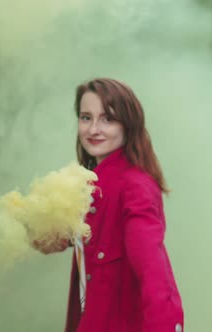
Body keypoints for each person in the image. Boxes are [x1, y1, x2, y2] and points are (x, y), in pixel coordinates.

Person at [33, 78, 184, 332]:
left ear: (129, 125)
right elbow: (52, 240)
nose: (93, 129)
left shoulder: (135, 186)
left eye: (107, 119)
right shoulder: (88, 186)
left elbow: (152, 271)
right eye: (85, 118)